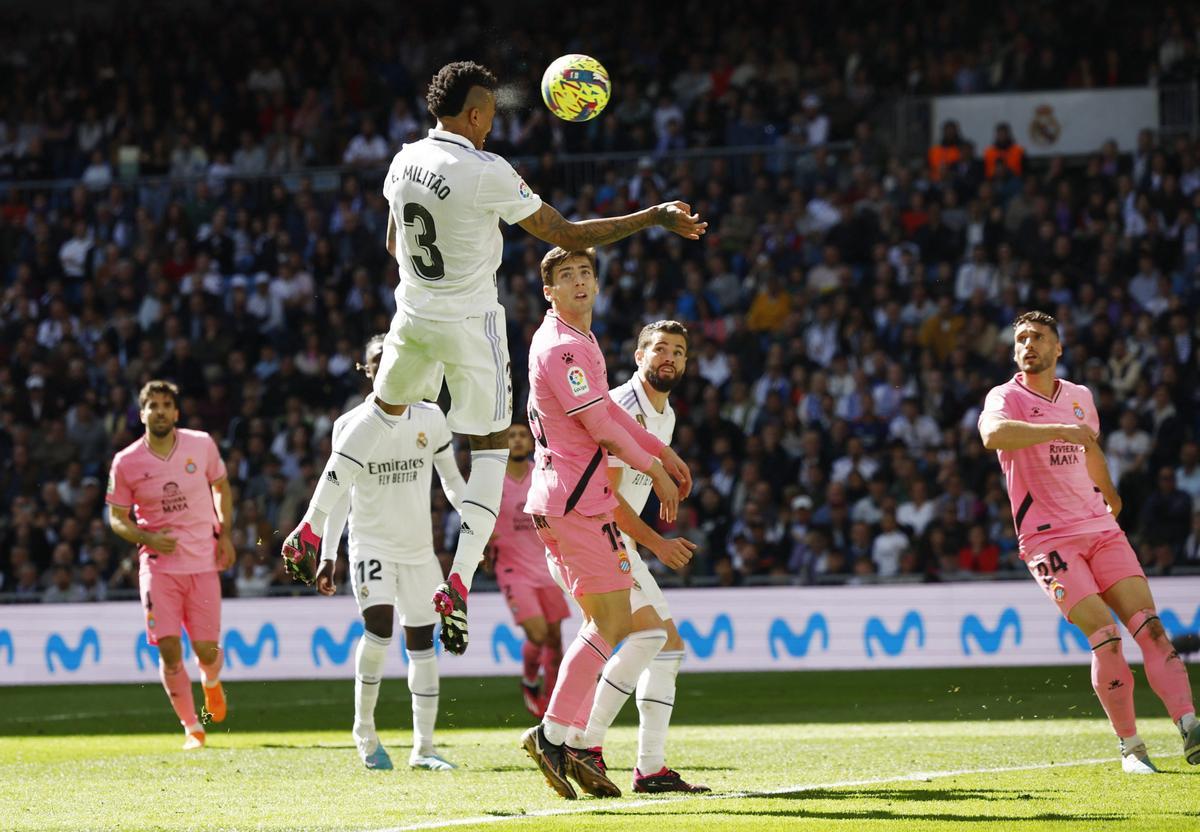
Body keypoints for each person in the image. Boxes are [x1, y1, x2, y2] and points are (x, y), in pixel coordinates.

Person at [282, 61, 706, 656]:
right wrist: (654, 216)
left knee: (380, 411)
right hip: (470, 324)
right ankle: (457, 579)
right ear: (476, 114)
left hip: (412, 312)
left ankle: (311, 522)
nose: (491, 126)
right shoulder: (486, 171)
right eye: (490, 116)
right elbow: (568, 233)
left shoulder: (403, 159)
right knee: (488, 447)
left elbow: (391, 242)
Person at [978, 310, 1198, 773]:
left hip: (1100, 528)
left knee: (1152, 630)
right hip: (1048, 539)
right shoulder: (1006, 397)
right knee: (1107, 637)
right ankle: (1132, 748)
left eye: (1037, 337)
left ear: (1058, 348)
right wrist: (1058, 429)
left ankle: (1190, 727)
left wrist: (1112, 497)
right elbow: (991, 434)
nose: (1027, 345)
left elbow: (1089, 449)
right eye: (1020, 339)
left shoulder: (1080, 396)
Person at [520, 247, 693, 800]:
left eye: (585, 273)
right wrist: (654, 468)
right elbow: (598, 421)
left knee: (632, 629)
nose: (578, 282)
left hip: (576, 503)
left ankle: (572, 739)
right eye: (565, 276)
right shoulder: (563, 347)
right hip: (576, 504)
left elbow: (612, 417)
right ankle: (558, 736)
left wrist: (661, 456)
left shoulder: (582, 342)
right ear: (548, 289)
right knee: (617, 626)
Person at [559, 319, 710, 793]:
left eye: (679, 352)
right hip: (598, 536)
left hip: (618, 540)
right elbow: (607, 493)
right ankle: (585, 741)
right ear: (638, 356)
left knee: (667, 647)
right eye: (660, 349)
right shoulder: (625, 407)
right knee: (647, 638)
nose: (670, 358)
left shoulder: (663, 415)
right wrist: (657, 543)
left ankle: (649, 768)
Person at [314, 335, 467, 771]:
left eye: (395, 360)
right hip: (371, 544)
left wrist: (475, 519)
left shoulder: (431, 417)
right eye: (378, 361)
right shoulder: (350, 425)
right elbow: (338, 491)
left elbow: (452, 481)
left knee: (422, 642)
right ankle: (364, 731)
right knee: (379, 630)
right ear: (367, 371)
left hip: (419, 551)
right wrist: (329, 552)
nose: (387, 367)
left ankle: (425, 748)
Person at [106, 380, 236, 750]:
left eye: (166, 405)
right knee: (168, 649)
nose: (160, 411)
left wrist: (224, 532)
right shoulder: (126, 462)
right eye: (153, 405)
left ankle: (211, 682)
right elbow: (116, 518)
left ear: (176, 413)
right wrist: (147, 538)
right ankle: (192, 726)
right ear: (142, 412)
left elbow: (222, 487)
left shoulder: (202, 444)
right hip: (158, 566)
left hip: (203, 561)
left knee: (207, 651)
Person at [486, 422, 570, 718]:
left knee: (556, 641)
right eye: (512, 436)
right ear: (504, 443)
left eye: (523, 435)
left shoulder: (542, 473)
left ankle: (550, 700)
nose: (519, 440)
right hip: (512, 569)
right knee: (537, 634)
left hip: (547, 566)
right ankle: (529, 680)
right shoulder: (492, 480)